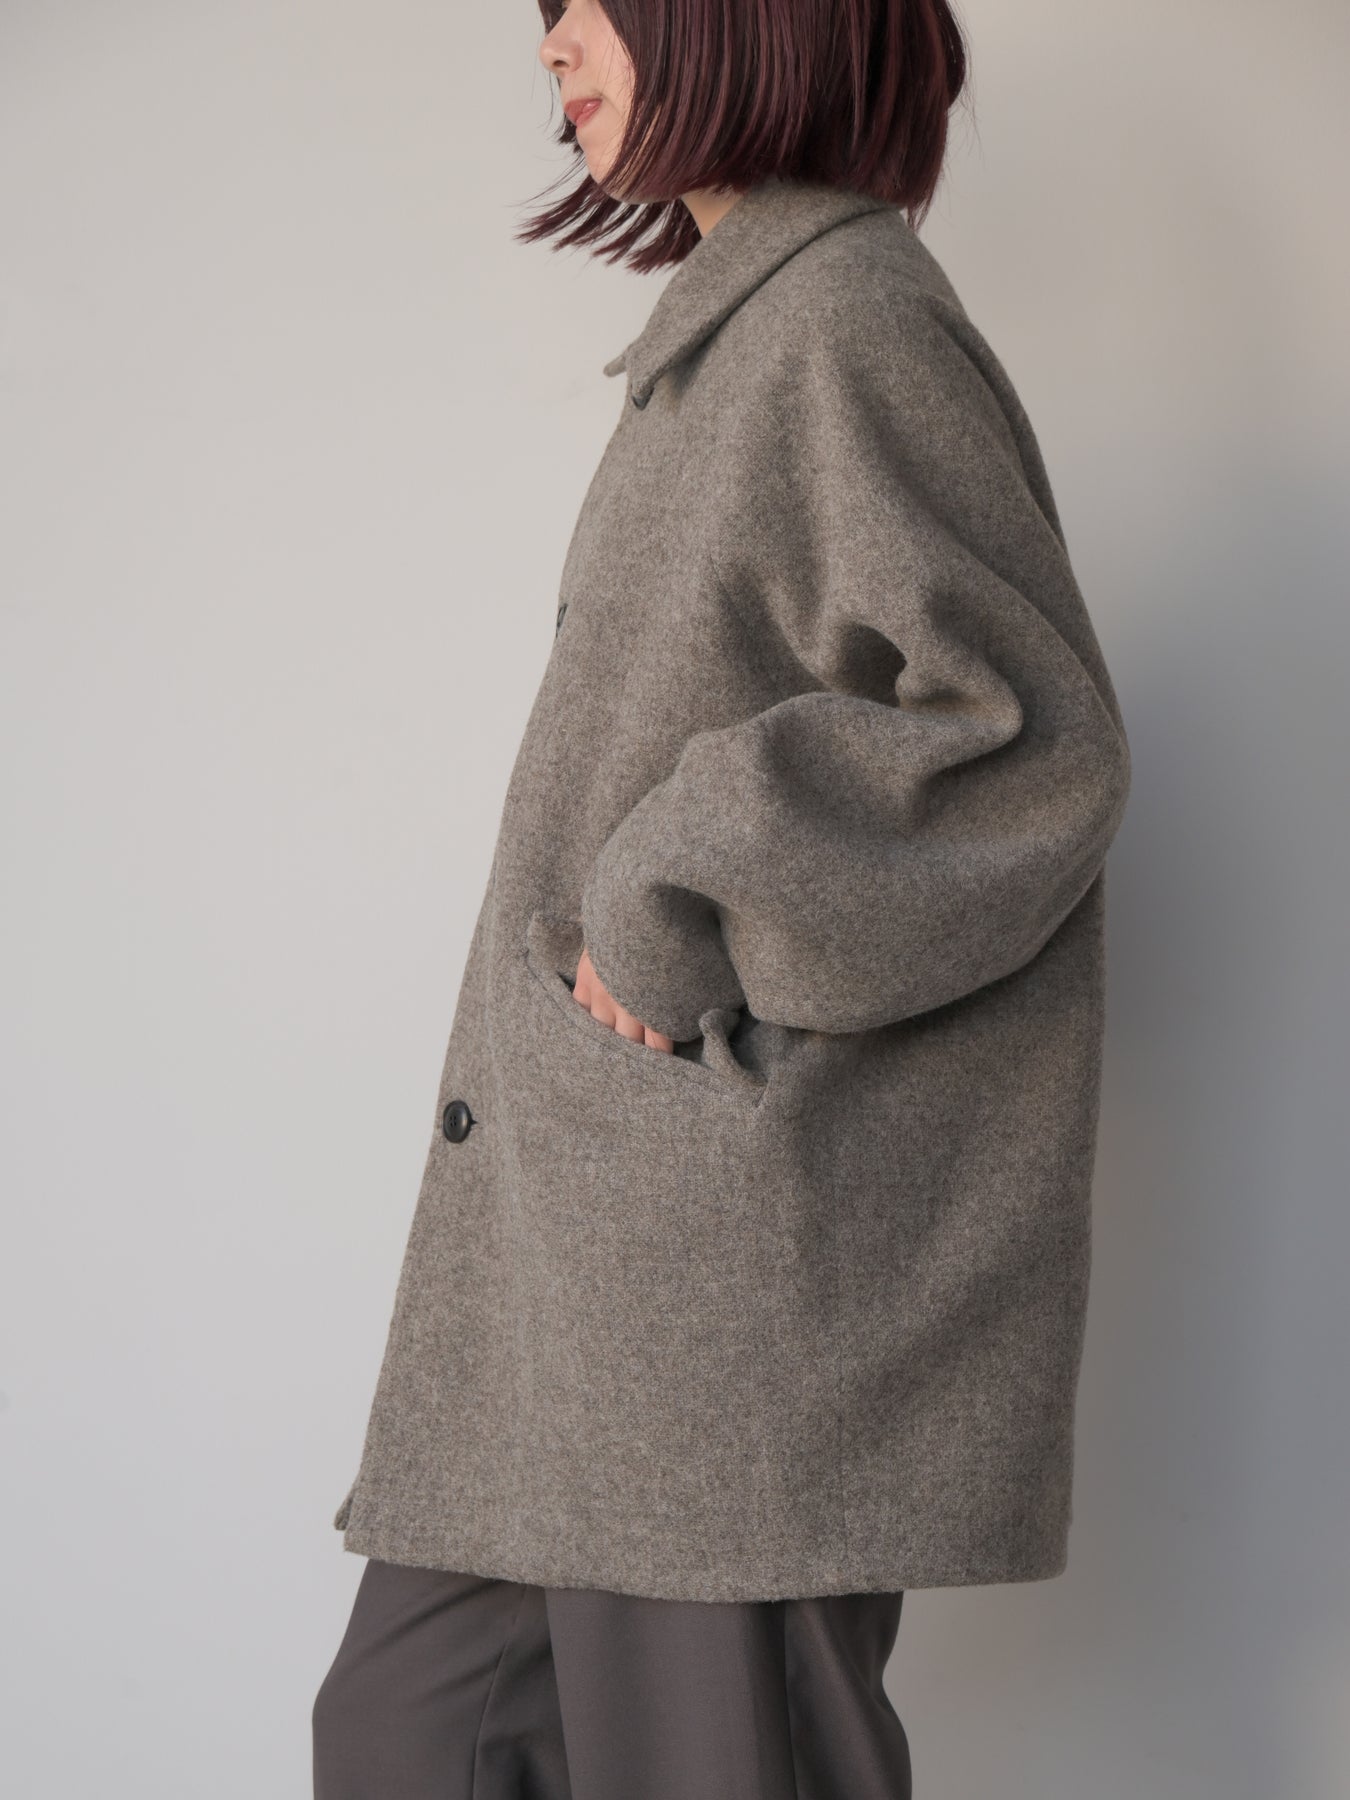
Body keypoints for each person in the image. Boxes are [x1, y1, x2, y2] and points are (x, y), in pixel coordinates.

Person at [312, 0, 1132, 1794]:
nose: (552, 45)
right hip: (600, 1250)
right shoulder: (739, 335)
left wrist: (668, 903)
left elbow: (1022, 740)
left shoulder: (844, 321)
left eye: (589, 7)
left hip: (723, 1274)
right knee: (407, 1734)